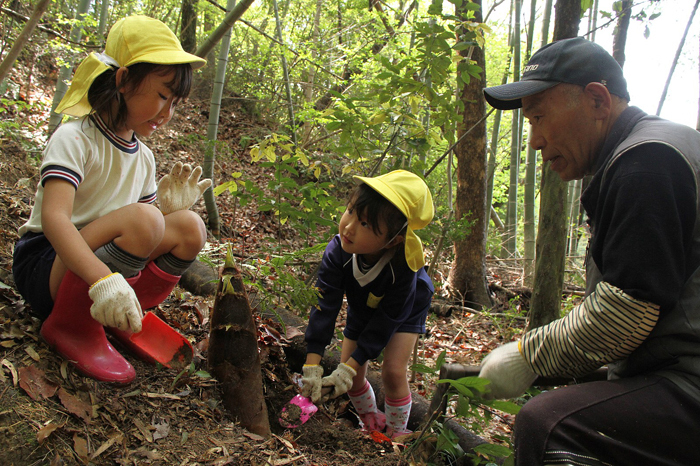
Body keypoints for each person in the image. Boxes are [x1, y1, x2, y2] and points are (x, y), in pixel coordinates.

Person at [479, 36, 700, 465]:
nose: (535, 141)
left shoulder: (647, 161)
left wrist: (528, 356)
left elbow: (627, 313)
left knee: (548, 426)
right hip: (674, 371)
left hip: (688, 378)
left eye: (539, 117)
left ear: (597, 100)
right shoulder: (655, 149)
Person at [12, 16, 212, 385]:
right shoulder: (75, 137)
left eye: (175, 103)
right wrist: (102, 279)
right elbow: (56, 219)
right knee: (146, 221)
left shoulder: (144, 158)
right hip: (47, 264)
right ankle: (73, 326)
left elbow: (149, 227)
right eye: (162, 96)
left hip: (100, 264)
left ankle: (121, 316)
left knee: (189, 227)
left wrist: (169, 212)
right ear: (122, 80)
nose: (167, 113)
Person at [301, 170, 434, 438]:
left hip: (405, 308)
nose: (349, 227)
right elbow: (325, 305)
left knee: (393, 372)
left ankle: (396, 434)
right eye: (350, 212)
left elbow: (387, 320)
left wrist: (348, 368)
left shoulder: (402, 269)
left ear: (393, 239)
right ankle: (371, 422)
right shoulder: (338, 252)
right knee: (353, 377)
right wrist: (312, 365)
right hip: (364, 303)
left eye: (365, 224)